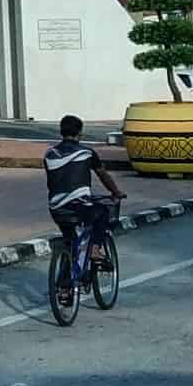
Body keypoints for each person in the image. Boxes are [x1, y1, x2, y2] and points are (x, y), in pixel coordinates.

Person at [42, 114, 125, 280]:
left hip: (56, 208)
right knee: (101, 213)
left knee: (70, 242)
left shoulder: (49, 154)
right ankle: (95, 250)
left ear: (61, 132)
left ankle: (64, 289)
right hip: (79, 205)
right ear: (79, 133)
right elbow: (103, 175)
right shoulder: (86, 153)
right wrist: (116, 192)